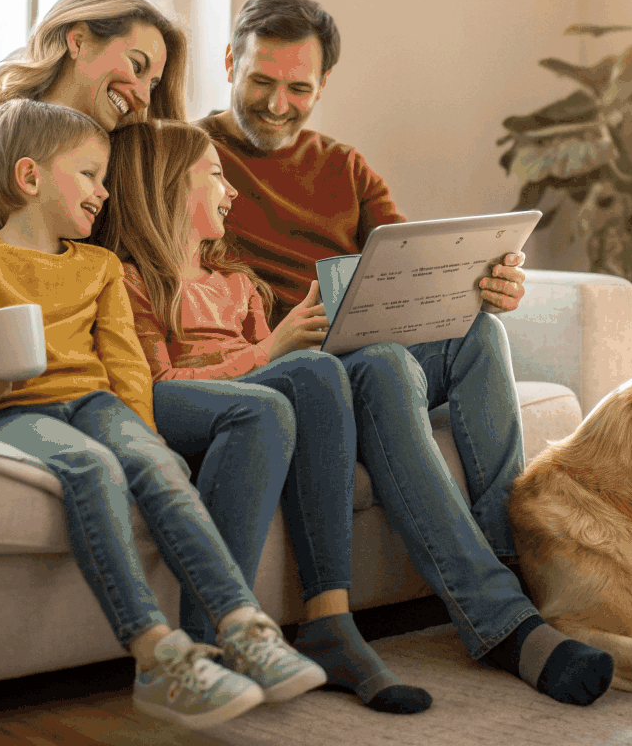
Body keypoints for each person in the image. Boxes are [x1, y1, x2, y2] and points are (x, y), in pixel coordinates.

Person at [196, 0, 616, 707]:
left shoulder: (344, 167)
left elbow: (418, 265)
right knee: (388, 365)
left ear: (323, 85)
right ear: (230, 61)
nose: (275, 104)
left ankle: (511, 561)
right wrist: (272, 339)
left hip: (357, 341)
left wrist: (484, 285)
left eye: (298, 88)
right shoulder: (188, 159)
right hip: (281, 361)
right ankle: (503, 623)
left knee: (476, 332)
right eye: (259, 82)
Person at [0, 0, 295, 650]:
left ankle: (267, 632)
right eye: (139, 62)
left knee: (309, 386)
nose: (146, 92)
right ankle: (201, 644)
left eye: (158, 80)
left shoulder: (110, 170)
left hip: (107, 387)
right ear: (78, 40)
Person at [0, 99, 326, 728]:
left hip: (95, 400)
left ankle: (244, 626)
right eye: (89, 175)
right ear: (30, 178)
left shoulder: (100, 266)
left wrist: (144, 437)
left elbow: (127, 368)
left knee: (153, 462)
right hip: (12, 409)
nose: (105, 192)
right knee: (91, 469)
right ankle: (156, 654)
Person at [91, 119, 433, 715]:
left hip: (252, 401)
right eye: (217, 177)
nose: (232, 193)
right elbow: (154, 384)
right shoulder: (128, 279)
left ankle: (331, 618)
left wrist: (296, 343)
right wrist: (271, 351)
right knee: (284, 386)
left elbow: (280, 373)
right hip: (169, 404)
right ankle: (215, 639)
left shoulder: (239, 285)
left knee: (319, 372)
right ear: (168, 186)